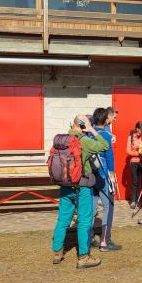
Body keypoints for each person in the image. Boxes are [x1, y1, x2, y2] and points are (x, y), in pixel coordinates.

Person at [51, 114, 109, 269]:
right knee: (84, 221)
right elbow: (105, 146)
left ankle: (57, 252)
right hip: (81, 186)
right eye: (88, 124)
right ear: (83, 125)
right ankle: (84, 257)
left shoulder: (62, 141)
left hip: (65, 186)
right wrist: (93, 131)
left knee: (63, 220)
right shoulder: (84, 141)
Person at [90, 107, 122, 252]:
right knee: (108, 206)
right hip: (103, 175)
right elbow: (109, 156)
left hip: (90, 176)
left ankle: (88, 239)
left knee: (91, 208)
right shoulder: (106, 135)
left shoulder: (87, 136)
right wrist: (112, 172)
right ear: (105, 120)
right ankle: (105, 241)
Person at [126, 121, 142, 209]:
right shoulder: (131, 137)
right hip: (134, 162)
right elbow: (128, 151)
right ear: (137, 129)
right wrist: (137, 153)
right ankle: (134, 201)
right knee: (134, 182)